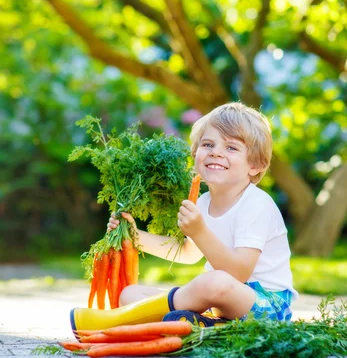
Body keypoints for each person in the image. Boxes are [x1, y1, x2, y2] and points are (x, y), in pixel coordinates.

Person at [70, 102, 298, 334]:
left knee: (213, 281)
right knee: (130, 294)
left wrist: (199, 231)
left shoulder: (256, 204)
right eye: (208, 144)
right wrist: (135, 236)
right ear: (196, 153)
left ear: (255, 165)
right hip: (219, 303)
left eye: (231, 148)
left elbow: (238, 273)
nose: (216, 152)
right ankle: (202, 326)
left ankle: (110, 324)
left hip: (267, 306)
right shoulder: (204, 202)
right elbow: (189, 253)